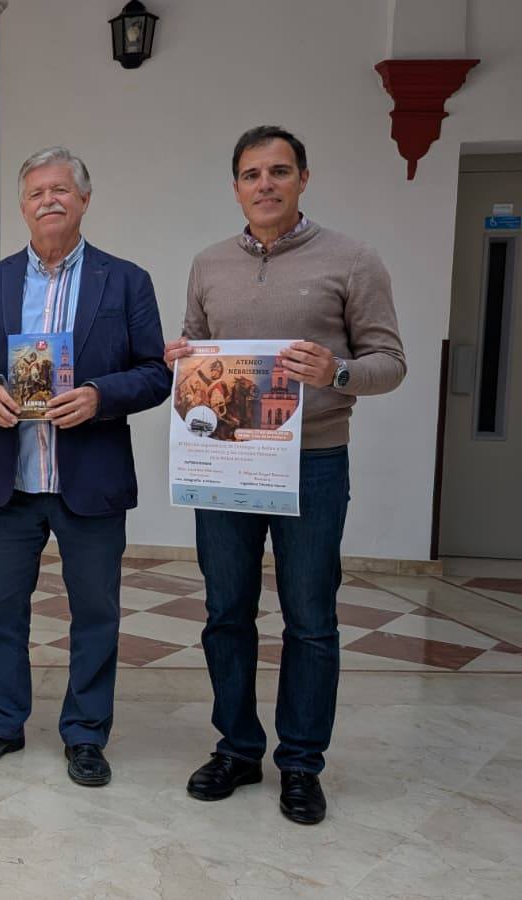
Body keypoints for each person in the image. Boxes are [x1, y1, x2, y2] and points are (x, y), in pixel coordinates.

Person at [167, 125, 406, 825]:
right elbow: (193, 346)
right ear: (235, 186)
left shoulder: (353, 261)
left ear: (303, 178)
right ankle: (237, 749)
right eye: (250, 174)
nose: (264, 185)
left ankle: (300, 763)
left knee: (309, 621)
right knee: (225, 613)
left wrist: (335, 371)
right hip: (227, 462)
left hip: (313, 463)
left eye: (278, 172)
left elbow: (390, 362)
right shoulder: (209, 263)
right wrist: (179, 355)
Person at [0, 147, 170, 787]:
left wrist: (102, 397)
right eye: (36, 192)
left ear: (84, 199)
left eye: (61, 190)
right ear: (22, 206)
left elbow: (156, 372)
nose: (48, 200)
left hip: (89, 479)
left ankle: (84, 733)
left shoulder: (125, 280)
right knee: (0, 613)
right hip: (10, 480)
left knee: (96, 613)